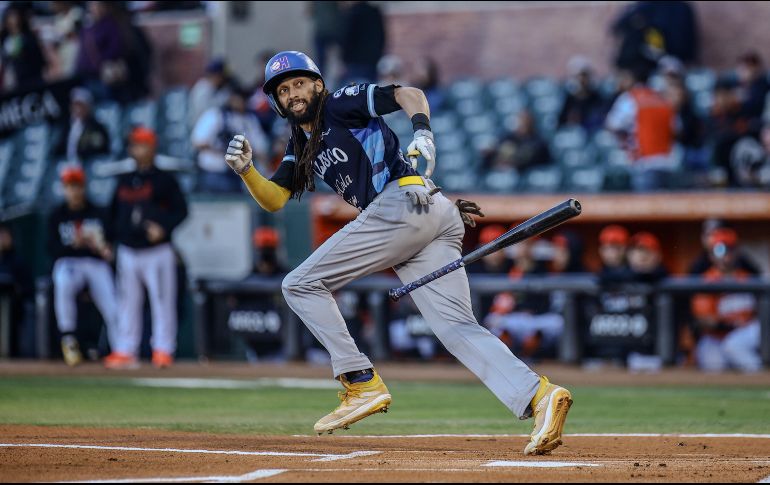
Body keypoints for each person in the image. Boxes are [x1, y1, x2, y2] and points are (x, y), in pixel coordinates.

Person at [223, 51, 573, 455]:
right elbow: (274, 199)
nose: (293, 93)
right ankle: (540, 396)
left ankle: (360, 382)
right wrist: (248, 171)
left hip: (402, 202)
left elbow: (410, 94)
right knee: (455, 328)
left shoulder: (340, 102)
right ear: (277, 101)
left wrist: (422, 133)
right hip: (428, 215)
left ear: (318, 84)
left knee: (300, 284)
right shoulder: (300, 142)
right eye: (283, 90)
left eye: (299, 83)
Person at [104, 127, 188, 369]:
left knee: (163, 301)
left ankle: (163, 349)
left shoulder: (164, 179)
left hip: (157, 250)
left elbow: (181, 211)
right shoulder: (125, 178)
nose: (136, 149)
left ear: (152, 147)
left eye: (141, 144)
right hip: (128, 250)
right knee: (127, 303)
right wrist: (109, 240)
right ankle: (125, 349)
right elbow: (112, 213)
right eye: (134, 145)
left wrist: (164, 227)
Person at [47, 166, 118, 366]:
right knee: (64, 281)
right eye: (70, 186)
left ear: (83, 187)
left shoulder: (98, 211)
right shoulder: (57, 215)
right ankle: (68, 338)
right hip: (69, 261)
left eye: (77, 186)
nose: (74, 191)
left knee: (112, 305)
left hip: (94, 262)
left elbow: (110, 241)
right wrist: (72, 244)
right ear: (64, 189)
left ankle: (121, 349)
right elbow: (50, 248)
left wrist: (102, 247)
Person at [690, 228, 762, 372]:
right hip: (716, 336)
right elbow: (706, 321)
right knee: (713, 363)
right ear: (710, 254)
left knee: (735, 345)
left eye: (729, 249)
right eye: (719, 250)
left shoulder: (749, 277)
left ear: (737, 251)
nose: (725, 255)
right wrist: (730, 322)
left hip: (745, 331)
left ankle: (761, 378)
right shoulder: (706, 280)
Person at [605, 61, 676, 191]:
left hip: (644, 162)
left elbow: (612, 124)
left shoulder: (631, 98)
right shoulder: (662, 99)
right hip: (667, 162)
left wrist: (624, 142)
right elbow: (676, 128)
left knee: (647, 207)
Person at [191, 87, 270, 193]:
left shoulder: (249, 119)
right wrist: (222, 149)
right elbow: (198, 141)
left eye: (244, 99)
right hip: (213, 171)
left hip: (239, 174)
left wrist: (243, 152)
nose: (240, 102)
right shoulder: (216, 115)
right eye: (238, 98)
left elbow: (261, 149)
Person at [54, 87, 111, 163]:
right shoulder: (67, 127)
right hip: (68, 167)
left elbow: (98, 148)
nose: (77, 109)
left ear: (88, 107)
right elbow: (59, 149)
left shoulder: (97, 127)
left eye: (80, 105)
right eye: (74, 105)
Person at [0, 4, 47, 93]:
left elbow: (38, 59)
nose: (12, 20)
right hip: (12, 82)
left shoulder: (28, 38)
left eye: (15, 16)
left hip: (31, 80)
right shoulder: (5, 40)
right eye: (9, 17)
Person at [558, 56, 607, 135]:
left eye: (584, 76)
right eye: (578, 76)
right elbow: (562, 121)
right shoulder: (569, 98)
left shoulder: (596, 97)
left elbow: (599, 118)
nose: (581, 80)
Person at [339, 2, 385, 85]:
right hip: (372, 61)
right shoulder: (374, 12)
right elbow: (382, 36)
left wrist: (344, 60)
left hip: (355, 63)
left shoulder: (353, 13)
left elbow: (347, 39)